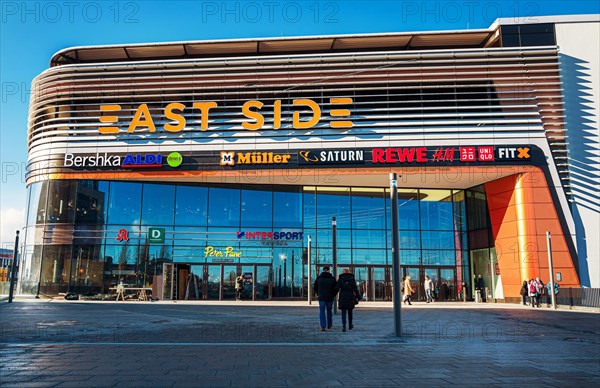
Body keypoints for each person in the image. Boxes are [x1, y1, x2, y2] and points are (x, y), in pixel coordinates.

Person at [314, 266, 338, 331]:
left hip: (321, 297)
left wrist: (318, 293)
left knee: (322, 311)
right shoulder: (332, 278)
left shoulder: (319, 278)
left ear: (323, 270)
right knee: (329, 311)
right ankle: (329, 325)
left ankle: (323, 326)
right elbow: (336, 288)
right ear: (329, 270)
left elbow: (315, 287)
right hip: (330, 297)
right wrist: (333, 294)